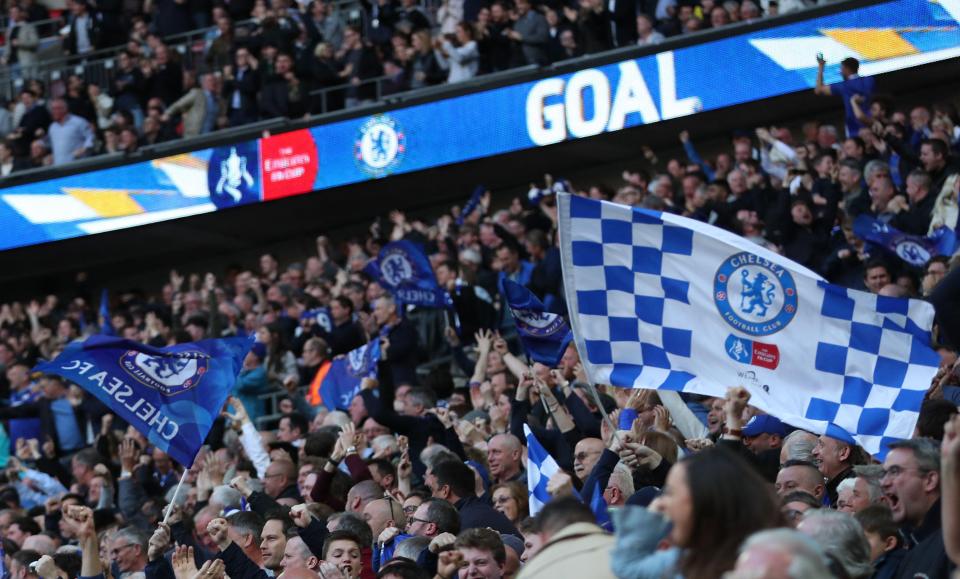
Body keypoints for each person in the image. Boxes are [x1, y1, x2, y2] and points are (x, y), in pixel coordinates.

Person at [880, 438, 953, 577]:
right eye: (884, 474)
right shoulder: (912, 545)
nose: (884, 483)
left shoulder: (953, 545)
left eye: (894, 471)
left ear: (930, 480)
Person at [814, 55, 875, 137]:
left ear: (847, 69)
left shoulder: (844, 86)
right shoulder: (869, 80)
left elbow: (818, 90)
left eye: (841, 69)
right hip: (873, 123)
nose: (840, 72)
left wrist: (821, 67)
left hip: (855, 129)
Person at [47, 99, 95, 166]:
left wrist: (84, 149)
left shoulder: (78, 122)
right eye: (52, 109)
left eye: (56, 108)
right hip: (59, 168)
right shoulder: (52, 127)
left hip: (77, 165)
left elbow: (91, 136)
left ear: (65, 109)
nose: (53, 111)